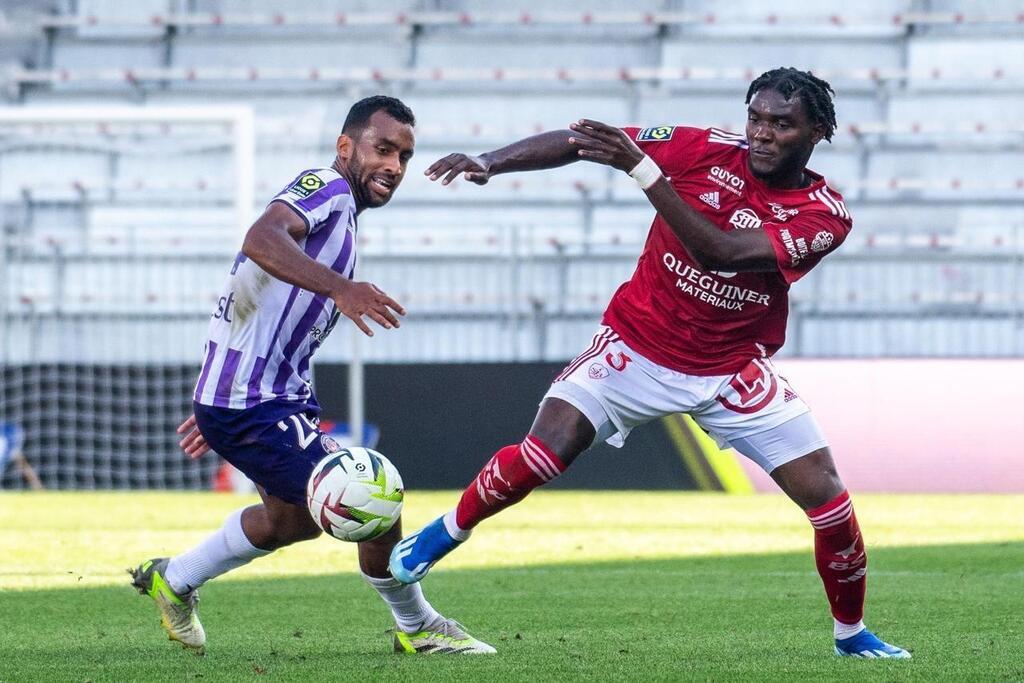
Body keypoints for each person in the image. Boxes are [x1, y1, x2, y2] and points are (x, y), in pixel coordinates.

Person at [389, 68, 909, 659]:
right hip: (634, 346)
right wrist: (490, 160)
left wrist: (644, 171)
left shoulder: (825, 214)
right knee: (540, 456)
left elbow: (723, 252)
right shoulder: (702, 148)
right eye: (756, 118)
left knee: (830, 502)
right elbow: (583, 140)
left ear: (816, 131)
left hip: (728, 370)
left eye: (781, 125)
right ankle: (441, 534)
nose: (762, 134)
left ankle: (851, 635)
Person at [130, 95, 495, 656]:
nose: (394, 166)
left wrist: (220, 400)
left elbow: (258, 304)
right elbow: (260, 237)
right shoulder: (323, 186)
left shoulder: (344, 214)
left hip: (258, 397)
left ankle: (173, 579)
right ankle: (418, 625)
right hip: (252, 400)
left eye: (403, 155)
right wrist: (340, 288)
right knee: (368, 492)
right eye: (382, 149)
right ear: (345, 146)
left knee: (290, 522)